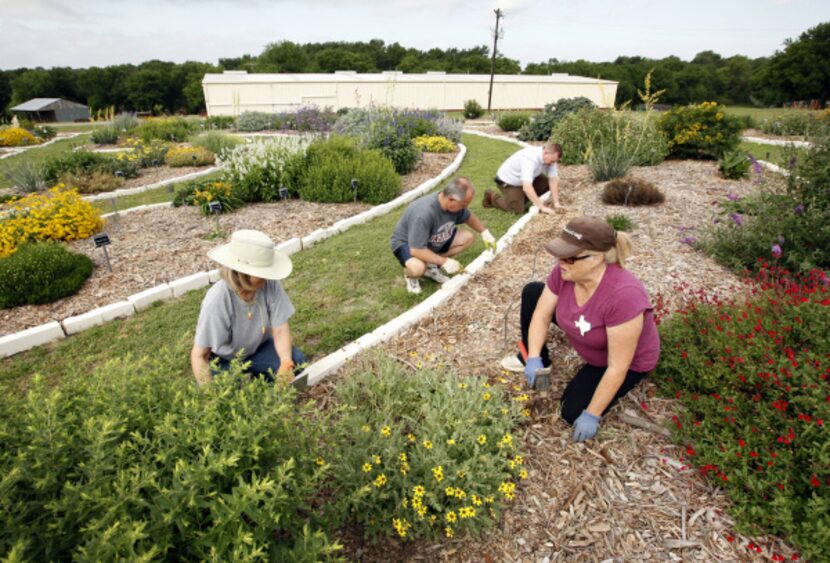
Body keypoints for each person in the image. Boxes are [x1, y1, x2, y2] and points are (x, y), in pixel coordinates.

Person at [502, 216, 660, 442]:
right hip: (588, 329)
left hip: (617, 360)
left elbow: (617, 366)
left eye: (568, 257)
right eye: (559, 255)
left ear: (596, 258)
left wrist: (592, 414)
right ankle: (541, 361)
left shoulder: (624, 296)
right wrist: (534, 355)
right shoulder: (565, 272)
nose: (560, 262)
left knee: (571, 412)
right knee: (532, 292)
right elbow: (542, 314)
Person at [191, 229, 306, 387]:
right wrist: (211, 396)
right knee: (229, 397)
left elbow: (280, 329)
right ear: (242, 273)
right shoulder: (217, 300)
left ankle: (267, 385)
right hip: (225, 359)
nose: (268, 276)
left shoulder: (270, 283)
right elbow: (199, 356)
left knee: (297, 362)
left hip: (258, 348)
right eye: (262, 272)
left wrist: (286, 362)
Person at [390, 176, 496, 294]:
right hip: (408, 244)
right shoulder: (424, 214)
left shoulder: (455, 205)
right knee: (418, 268)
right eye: (463, 205)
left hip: (432, 239)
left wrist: (484, 232)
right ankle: (410, 276)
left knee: (468, 238)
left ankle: (431, 265)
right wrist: (445, 261)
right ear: (450, 199)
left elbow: (468, 216)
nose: (464, 208)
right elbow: (416, 250)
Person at [483, 141, 565, 215]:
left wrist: (556, 203)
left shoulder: (550, 159)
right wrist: (542, 207)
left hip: (526, 179)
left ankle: (520, 198)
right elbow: (527, 186)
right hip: (508, 182)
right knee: (517, 209)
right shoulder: (530, 158)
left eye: (554, 162)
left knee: (546, 185)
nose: (552, 164)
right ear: (546, 153)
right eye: (552, 161)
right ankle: (492, 197)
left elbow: (553, 180)